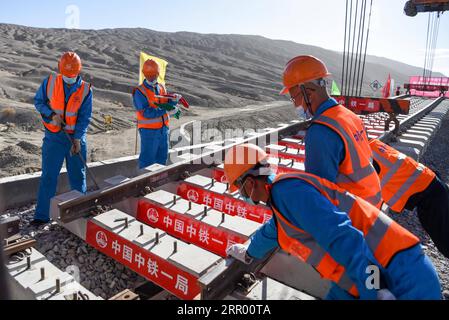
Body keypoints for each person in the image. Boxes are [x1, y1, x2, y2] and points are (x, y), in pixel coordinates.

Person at [225, 144, 442, 300]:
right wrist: (248, 253)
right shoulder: (283, 198)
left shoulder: (289, 193)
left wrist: (376, 290)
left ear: (250, 183)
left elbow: (345, 238)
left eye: (239, 188)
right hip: (362, 278)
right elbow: (272, 232)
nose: (241, 194)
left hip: (399, 276)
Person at [280, 56, 382, 208]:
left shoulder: (321, 131)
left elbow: (320, 194)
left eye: (294, 98)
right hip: (371, 203)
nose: (295, 104)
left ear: (307, 92)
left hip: (353, 214)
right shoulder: (349, 115)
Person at [33, 52, 93, 226]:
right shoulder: (50, 82)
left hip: (75, 138)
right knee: (49, 176)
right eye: (66, 75)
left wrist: (77, 139)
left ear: (78, 72)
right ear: (60, 69)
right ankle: (42, 215)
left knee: (77, 176)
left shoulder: (86, 90)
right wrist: (51, 115)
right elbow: (38, 102)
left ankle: (79, 213)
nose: (69, 78)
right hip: (54, 138)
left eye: (72, 75)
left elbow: (84, 117)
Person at [370, 139, 449, 258]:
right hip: (432, 188)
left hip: (431, 196)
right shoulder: (372, 145)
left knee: (445, 243)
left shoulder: (364, 158)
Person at [132, 59, 180, 169]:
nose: (151, 78)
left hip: (163, 130)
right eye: (148, 75)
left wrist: (174, 100)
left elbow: (166, 103)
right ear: (144, 74)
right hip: (149, 131)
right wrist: (166, 110)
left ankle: (158, 183)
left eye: (153, 75)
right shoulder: (139, 91)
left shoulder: (161, 87)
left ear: (158, 73)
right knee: (148, 161)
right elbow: (146, 112)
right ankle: (145, 184)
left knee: (162, 159)